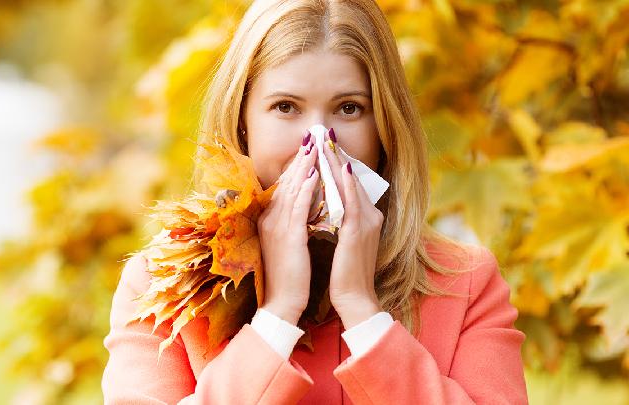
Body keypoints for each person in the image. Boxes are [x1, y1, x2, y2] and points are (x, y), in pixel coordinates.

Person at [101, 0, 528, 403]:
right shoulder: (161, 288)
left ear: (385, 129)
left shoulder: (466, 283)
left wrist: (365, 315)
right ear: (243, 122)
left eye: (348, 109)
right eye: (286, 107)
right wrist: (277, 317)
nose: (320, 141)